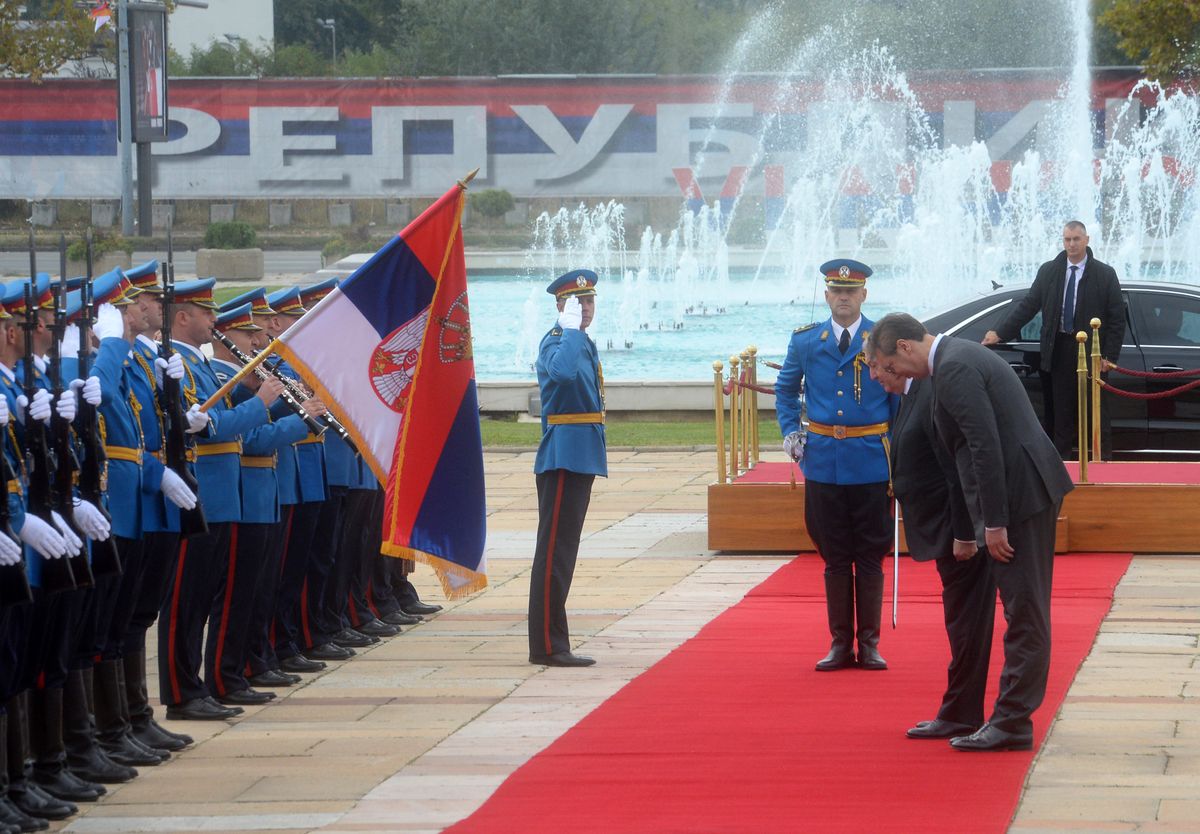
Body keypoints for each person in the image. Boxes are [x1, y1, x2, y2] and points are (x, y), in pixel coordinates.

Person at [869, 313, 1074, 751]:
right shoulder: (951, 362)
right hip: (1009, 496)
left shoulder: (956, 366)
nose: (892, 377)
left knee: (1024, 611)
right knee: (1019, 610)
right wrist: (967, 529)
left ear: (905, 347)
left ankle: (1013, 723)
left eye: (888, 366)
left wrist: (994, 522)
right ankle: (976, 714)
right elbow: (957, 454)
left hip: (1021, 497)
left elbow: (984, 446)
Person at [864, 347, 998, 740]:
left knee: (968, 624)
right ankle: (959, 710)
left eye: (874, 366)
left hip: (960, 535)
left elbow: (959, 467)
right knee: (960, 623)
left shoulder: (934, 389)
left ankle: (962, 713)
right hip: (943, 531)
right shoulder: (914, 392)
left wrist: (964, 533)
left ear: (894, 358)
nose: (874, 377)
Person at [774, 259, 895, 671]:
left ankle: (871, 643)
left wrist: (898, 447)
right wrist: (791, 430)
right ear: (827, 295)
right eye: (836, 291)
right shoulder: (808, 341)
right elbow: (786, 390)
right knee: (835, 555)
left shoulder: (881, 339)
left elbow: (898, 398)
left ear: (864, 295)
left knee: (871, 553)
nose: (843, 298)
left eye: (851, 291)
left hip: (871, 462)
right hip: (824, 461)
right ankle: (840, 643)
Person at [983, 220, 1124, 458]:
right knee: (1061, 417)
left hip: (1092, 355)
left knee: (1097, 417)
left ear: (1087, 240)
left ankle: (1102, 466)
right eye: (1067, 239)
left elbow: (1117, 319)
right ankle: (1062, 472)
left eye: (1076, 239)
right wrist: (1000, 332)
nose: (1071, 244)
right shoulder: (1049, 271)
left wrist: (1108, 357)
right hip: (1058, 351)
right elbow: (1029, 306)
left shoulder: (1105, 274)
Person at [528, 269, 606, 668]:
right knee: (554, 553)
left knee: (564, 552)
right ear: (561, 306)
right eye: (578, 303)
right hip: (562, 456)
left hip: (580, 455)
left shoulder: (579, 340)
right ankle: (547, 645)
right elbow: (561, 374)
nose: (586, 308)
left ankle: (553, 641)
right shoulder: (558, 340)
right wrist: (572, 329)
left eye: (590, 301)